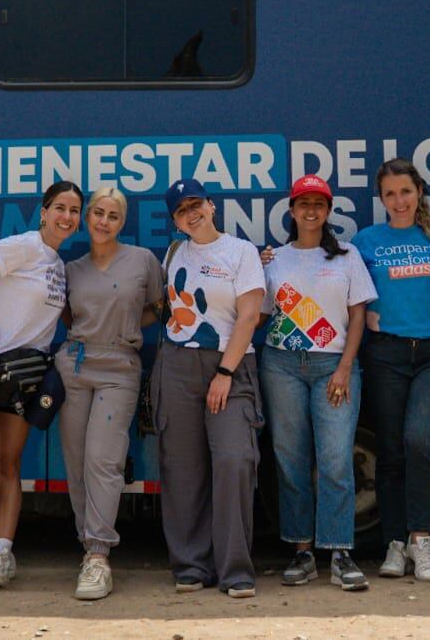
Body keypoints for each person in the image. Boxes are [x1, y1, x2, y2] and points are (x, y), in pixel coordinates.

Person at [0, 180, 82, 588]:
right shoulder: (25, 246)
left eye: (74, 211)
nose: (67, 217)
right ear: (44, 212)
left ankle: (3, 555)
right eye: (60, 208)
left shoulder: (59, 267)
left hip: (25, 375)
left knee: (9, 462)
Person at [259, 174, 378, 590]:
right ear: (291, 211)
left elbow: (358, 315)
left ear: (328, 211)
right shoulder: (274, 260)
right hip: (281, 365)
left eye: (318, 204)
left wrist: (345, 367)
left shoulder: (347, 255)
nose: (310, 211)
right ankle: (303, 551)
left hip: (334, 366)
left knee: (335, 459)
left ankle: (340, 551)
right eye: (303, 203)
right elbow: (259, 314)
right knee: (290, 460)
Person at [155, 178, 267, 599]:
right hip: (177, 366)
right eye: (182, 210)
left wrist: (224, 371)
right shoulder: (172, 254)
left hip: (230, 367)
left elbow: (249, 316)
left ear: (211, 205)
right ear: (175, 221)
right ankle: (191, 566)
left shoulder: (241, 252)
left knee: (236, 460)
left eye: (196, 204)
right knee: (183, 469)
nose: (192, 214)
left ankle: (235, 570)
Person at [57, 187, 165, 600]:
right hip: (75, 365)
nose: (104, 222)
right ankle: (86, 546)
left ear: (122, 222)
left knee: (103, 460)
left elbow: (158, 307)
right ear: (87, 218)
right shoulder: (72, 269)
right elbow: (67, 315)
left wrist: (126, 324)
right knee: (76, 462)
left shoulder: (142, 260)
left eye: (113, 216)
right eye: (98, 213)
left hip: (120, 367)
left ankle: (99, 556)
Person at [351, 158, 430, 581]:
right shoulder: (365, 241)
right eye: (390, 194)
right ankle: (395, 543)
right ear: (381, 198)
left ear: (420, 193)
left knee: (419, 440)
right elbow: (341, 282)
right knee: (391, 449)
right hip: (386, 354)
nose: (399, 201)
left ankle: (421, 539)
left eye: (406, 192)